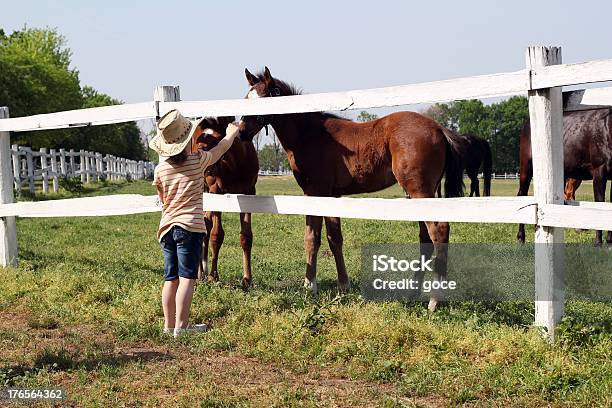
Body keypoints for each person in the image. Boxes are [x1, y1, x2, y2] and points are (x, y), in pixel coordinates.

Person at [149, 109, 239, 337]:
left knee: (170, 278)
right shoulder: (197, 161)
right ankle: (182, 326)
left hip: (166, 228)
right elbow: (220, 149)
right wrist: (231, 133)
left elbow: (162, 197)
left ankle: (168, 325)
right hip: (189, 227)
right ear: (188, 141)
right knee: (187, 277)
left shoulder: (160, 170)